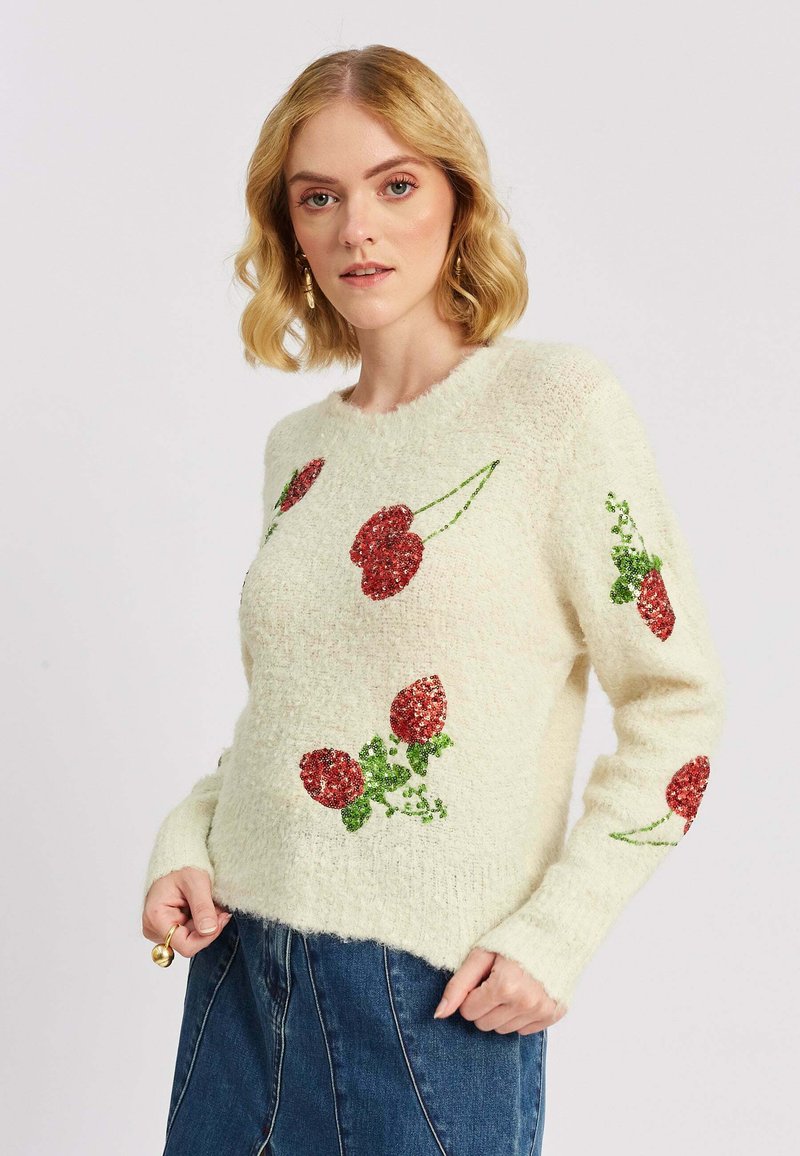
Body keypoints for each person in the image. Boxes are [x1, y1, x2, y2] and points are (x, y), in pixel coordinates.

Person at [141, 44, 727, 1156]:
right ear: (289, 228)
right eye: (319, 197)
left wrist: (558, 932)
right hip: (238, 975)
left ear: (458, 199)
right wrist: (188, 836)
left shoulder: (558, 406)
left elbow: (678, 701)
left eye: (395, 185)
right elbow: (292, 713)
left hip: (425, 999)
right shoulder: (297, 451)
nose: (356, 229)